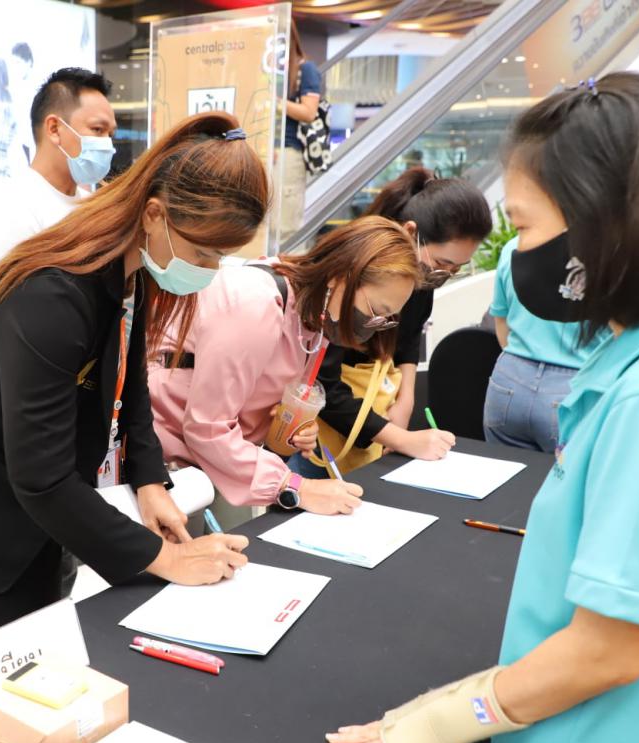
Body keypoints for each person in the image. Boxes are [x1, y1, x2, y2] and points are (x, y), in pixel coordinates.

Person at [327, 73, 639, 743]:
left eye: (527, 227)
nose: (520, 251)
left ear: (599, 225)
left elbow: (607, 651)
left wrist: (453, 717)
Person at [0, 112, 267, 660]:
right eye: (205, 254)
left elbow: (129, 380)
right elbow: (41, 478)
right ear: (154, 214)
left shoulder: (130, 267)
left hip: (25, 481)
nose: (211, 270)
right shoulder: (53, 294)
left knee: (37, 636)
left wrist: (149, 480)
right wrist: (164, 557)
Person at [149, 216, 418, 514]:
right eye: (374, 310)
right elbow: (207, 426)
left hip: (212, 463)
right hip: (162, 459)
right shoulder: (255, 303)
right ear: (340, 275)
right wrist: (295, 487)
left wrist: (285, 429)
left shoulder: (315, 319)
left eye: (383, 320)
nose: (371, 325)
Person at [293, 169, 491, 479]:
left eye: (457, 269)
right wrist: (401, 438)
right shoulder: (350, 279)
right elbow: (324, 384)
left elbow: (409, 336)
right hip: (323, 425)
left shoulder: (423, 274)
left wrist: (406, 397)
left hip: (371, 410)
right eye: (442, 264)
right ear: (410, 231)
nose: (444, 275)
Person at [0, 68, 117, 274]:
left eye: (110, 134)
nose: (107, 144)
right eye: (97, 129)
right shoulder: (14, 209)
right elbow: (8, 293)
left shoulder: (90, 206)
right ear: (54, 129)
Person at [484, 233, 603, 452]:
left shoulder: (516, 246)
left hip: (508, 381)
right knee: (570, 473)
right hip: (573, 386)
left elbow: (501, 319)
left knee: (509, 471)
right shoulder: (604, 253)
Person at [280, 22, 322, 244]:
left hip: (289, 151)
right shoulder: (268, 69)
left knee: (286, 225)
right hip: (265, 151)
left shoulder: (306, 69)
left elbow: (309, 112)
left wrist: (276, 103)